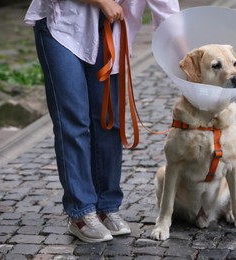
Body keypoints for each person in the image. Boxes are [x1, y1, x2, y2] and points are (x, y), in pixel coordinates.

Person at [24, 0, 179, 243]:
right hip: (63, 26)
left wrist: (192, 64)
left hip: (111, 31)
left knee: (108, 121)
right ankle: (81, 212)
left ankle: (107, 206)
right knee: (73, 121)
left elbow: (168, 14)